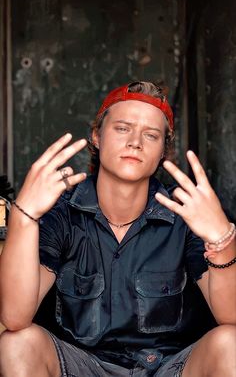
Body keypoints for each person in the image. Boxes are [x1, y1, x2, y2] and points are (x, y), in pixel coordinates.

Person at [0, 81, 235, 377]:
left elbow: (231, 317)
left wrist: (221, 239)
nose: (135, 142)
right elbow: (15, 318)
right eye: (122, 128)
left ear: (164, 150)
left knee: (231, 343)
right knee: (16, 343)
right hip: (83, 368)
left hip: (169, 369)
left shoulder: (188, 212)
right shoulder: (62, 211)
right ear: (97, 136)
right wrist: (24, 217)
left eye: (151, 135)